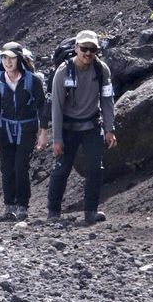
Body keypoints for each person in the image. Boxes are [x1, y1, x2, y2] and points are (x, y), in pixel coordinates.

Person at [48, 31, 116, 224]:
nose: (88, 53)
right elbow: (57, 107)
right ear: (76, 48)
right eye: (84, 48)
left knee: (95, 168)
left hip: (92, 126)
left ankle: (90, 211)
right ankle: (53, 212)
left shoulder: (101, 70)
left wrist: (110, 128)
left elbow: (107, 99)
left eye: (92, 49)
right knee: (62, 169)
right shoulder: (63, 72)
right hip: (68, 128)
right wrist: (57, 139)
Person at [0, 44, 49, 221]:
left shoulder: (33, 80)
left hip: (27, 129)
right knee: (7, 168)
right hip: (4, 129)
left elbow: (42, 106)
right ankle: (9, 205)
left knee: (21, 166)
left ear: (19, 59)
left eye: (12, 58)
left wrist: (43, 132)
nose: (8, 62)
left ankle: (22, 205)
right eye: (4, 58)